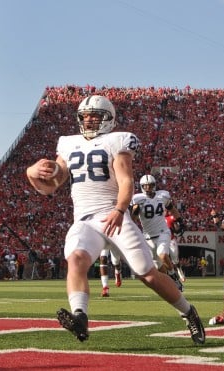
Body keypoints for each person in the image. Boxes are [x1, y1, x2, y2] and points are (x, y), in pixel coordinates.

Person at [25, 95, 205, 344]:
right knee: (76, 259)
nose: (89, 120)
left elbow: (125, 180)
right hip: (85, 220)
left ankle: (188, 312)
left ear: (107, 118)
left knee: (147, 274)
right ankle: (80, 317)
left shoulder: (116, 140)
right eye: (85, 116)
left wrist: (120, 210)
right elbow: (51, 186)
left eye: (95, 115)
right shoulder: (67, 143)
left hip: (113, 215)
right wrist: (31, 174)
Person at [131, 174, 186, 291]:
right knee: (157, 265)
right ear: (141, 187)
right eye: (145, 186)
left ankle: (174, 277)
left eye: (150, 185)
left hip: (163, 232)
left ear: (154, 185)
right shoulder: (137, 199)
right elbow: (133, 219)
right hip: (148, 236)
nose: (148, 188)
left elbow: (172, 209)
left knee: (162, 254)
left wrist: (180, 221)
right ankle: (169, 282)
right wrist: (135, 212)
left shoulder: (163, 196)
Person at [165, 210, 186, 282]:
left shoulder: (170, 217)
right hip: (162, 241)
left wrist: (176, 229)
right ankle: (169, 275)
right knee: (163, 258)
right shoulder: (158, 218)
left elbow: (177, 224)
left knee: (175, 259)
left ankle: (180, 272)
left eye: (165, 209)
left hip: (171, 240)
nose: (164, 211)